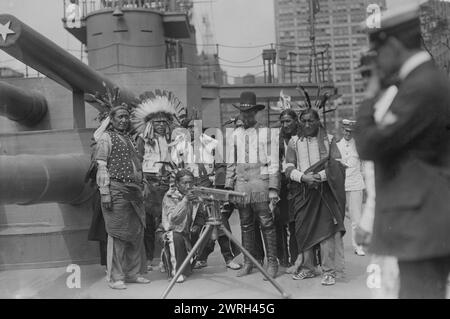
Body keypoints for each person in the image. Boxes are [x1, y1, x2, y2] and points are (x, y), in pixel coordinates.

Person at [355, 6, 450, 298]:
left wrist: (370, 97)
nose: (378, 61)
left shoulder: (421, 87)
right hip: (420, 225)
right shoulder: (424, 81)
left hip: (421, 228)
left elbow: (369, 145)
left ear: (394, 45)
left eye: (378, 50)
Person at [285, 108, 346, 286]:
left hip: (324, 194)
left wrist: (320, 176)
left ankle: (329, 271)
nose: (307, 124)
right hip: (303, 194)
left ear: (318, 121)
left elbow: (339, 165)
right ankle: (308, 268)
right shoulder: (294, 142)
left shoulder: (328, 140)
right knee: (303, 231)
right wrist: (303, 177)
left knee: (326, 233)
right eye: (303, 120)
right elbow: (288, 167)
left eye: (311, 120)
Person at [225, 91, 280, 279]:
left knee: (266, 223)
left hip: (260, 186)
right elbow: (230, 163)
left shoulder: (266, 132)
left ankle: (272, 262)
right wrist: (228, 187)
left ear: (256, 113)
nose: (246, 117)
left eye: (249, 113)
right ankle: (249, 261)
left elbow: (274, 163)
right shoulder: (234, 134)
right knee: (246, 224)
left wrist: (273, 189)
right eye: (243, 113)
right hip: (241, 187)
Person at [95, 104, 150, 290]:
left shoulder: (129, 138)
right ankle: (116, 277)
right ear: (112, 119)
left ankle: (133, 273)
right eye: (120, 117)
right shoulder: (106, 138)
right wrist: (105, 193)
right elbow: (101, 166)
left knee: (136, 232)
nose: (124, 120)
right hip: (116, 190)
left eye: (126, 116)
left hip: (134, 191)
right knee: (118, 234)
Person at [133, 90, 185, 272]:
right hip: (149, 184)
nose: (161, 125)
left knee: (167, 222)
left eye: (164, 122)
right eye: (157, 122)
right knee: (148, 223)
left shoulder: (173, 140)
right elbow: (137, 162)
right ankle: (148, 259)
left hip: (168, 184)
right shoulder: (143, 140)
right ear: (150, 124)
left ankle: (167, 259)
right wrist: (142, 183)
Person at [160, 169, 204, 283]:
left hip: (188, 233)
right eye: (185, 183)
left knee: (207, 233)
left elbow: (200, 215)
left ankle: (191, 260)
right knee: (175, 237)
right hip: (172, 233)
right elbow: (173, 219)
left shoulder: (195, 194)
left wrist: (198, 226)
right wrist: (185, 201)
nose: (188, 186)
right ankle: (175, 271)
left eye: (191, 182)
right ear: (177, 184)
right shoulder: (170, 196)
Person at [336, 119, 366, 256]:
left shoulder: (359, 146)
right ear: (342, 130)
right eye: (346, 131)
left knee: (356, 218)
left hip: (355, 184)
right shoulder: (336, 146)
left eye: (351, 132)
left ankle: (358, 246)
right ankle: (337, 246)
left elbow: (364, 167)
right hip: (340, 185)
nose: (348, 134)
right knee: (338, 217)